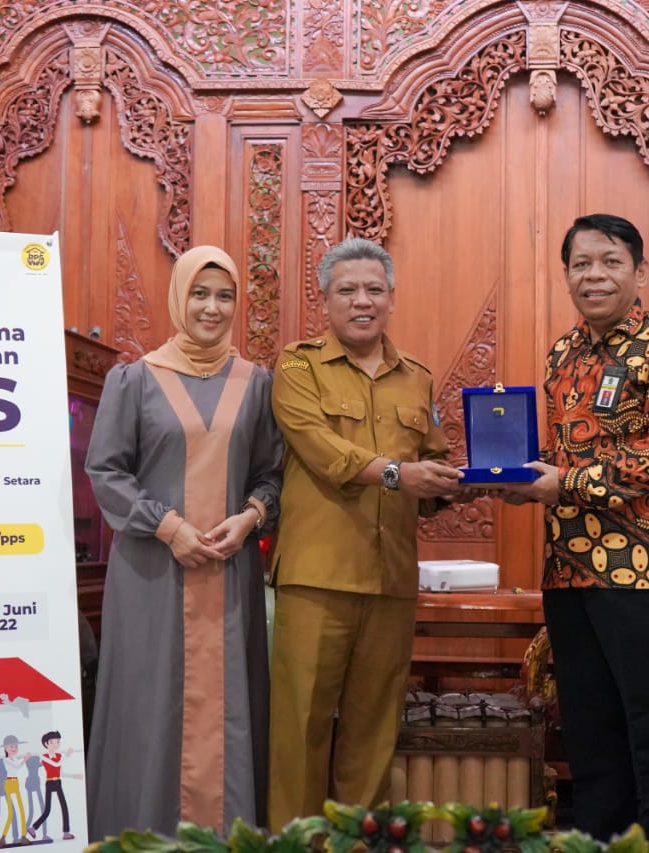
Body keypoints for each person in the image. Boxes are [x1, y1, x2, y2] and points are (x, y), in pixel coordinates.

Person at [499, 214, 649, 844]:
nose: (595, 275)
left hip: (642, 571)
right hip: (567, 571)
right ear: (566, 274)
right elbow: (563, 455)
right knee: (589, 732)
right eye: (581, 264)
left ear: (639, 271)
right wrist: (516, 477)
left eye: (610, 261)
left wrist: (561, 483)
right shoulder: (563, 353)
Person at [267, 237, 463, 831]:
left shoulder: (416, 378)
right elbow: (320, 447)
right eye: (347, 290)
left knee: (374, 732)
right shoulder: (297, 366)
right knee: (300, 728)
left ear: (391, 298)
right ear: (325, 300)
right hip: (316, 576)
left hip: (390, 578)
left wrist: (463, 482)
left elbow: (433, 458)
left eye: (374, 290)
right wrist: (400, 474)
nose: (362, 301)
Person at [86, 245, 282, 836]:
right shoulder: (135, 379)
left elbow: (272, 473)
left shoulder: (256, 384)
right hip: (152, 575)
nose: (212, 308)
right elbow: (105, 471)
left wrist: (250, 518)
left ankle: (225, 837)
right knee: (151, 704)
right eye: (200, 293)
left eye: (224, 296)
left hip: (228, 572)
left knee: (227, 708)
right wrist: (169, 527)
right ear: (179, 298)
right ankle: (143, 836)